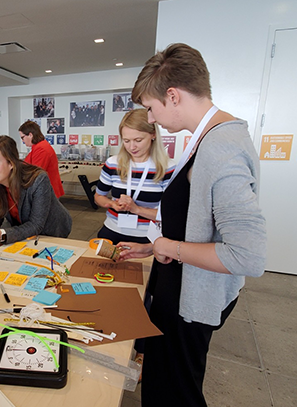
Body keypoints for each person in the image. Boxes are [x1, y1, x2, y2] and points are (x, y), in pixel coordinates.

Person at [118, 43, 267, 407]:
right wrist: (154, 246)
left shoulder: (221, 147)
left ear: (173, 95)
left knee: (176, 392)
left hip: (192, 297)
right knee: (161, 382)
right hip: (178, 287)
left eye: (151, 108)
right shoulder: (207, 138)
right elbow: (195, 218)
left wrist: (170, 248)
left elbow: (248, 255)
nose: (150, 118)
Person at [0, 136, 72, 245]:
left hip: (52, 232)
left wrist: (1, 234)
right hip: (26, 232)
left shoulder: (38, 179)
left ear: (11, 163)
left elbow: (36, 225)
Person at [94, 108, 173, 245]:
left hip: (148, 237)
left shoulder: (168, 168)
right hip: (112, 231)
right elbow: (98, 197)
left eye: (138, 140)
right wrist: (112, 204)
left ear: (153, 134)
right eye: (126, 140)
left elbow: (170, 214)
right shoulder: (113, 164)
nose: (132, 147)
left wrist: (136, 209)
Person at [19, 120, 65, 198]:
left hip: (46, 191)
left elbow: (35, 173)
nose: (22, 141)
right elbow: (26, 164)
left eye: (22, 137)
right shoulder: (37, 147)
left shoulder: (41, 149)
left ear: (30, 135)